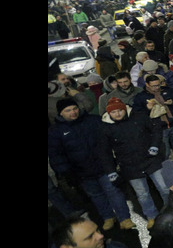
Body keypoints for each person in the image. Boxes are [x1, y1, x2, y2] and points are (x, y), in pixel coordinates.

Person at [49, 98, 135, 230]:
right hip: (81, 171)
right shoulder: (55, 131)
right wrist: (66, 173)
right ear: (61, 113)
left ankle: (124, 218)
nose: (73, 112)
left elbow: (109, 139)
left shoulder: (93, 120)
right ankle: (108, 217)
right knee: (96, 196)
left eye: (75, 108)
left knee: (114, 192)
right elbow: (56, 154)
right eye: (68, 110)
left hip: (104, 166)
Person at [99, 96, 169, 227]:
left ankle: (172, 211)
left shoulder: (138, 117)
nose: (117, 114)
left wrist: (155, 146)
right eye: (113, 112)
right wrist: (111, 171)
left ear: (125, 109)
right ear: (109, 113)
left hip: (150, 159)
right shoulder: (106, 128)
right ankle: (151, 216)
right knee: (142, 194)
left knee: (165, 188)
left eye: (119, 110)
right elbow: (105, 152)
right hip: (129, 166)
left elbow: (155, 129)